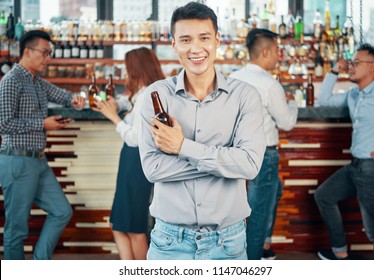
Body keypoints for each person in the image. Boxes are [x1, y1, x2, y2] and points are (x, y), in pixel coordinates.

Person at [138, 1, 265, 260]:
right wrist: (224, 162)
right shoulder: (155, 96)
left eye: (204, 38)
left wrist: (182, 147)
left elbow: (250, 165)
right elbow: (153, 169)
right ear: (173, 44)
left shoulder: (245, 96)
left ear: (217, 40)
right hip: (169, 243)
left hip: (228, 244)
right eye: (185, 39)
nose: (195, 48)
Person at [0, 30, 85, 260]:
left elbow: (63, 95)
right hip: (17, 160)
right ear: (28, 51)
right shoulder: (11, 81)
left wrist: (76, 100)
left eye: (50, 53)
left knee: (61, 211)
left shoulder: (37, 82)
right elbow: (4, 124)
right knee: (16, 229)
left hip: (37, 161)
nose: (48, 58)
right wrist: (42, 124)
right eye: (45, 53)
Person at [315, 43, 374, 260]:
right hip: (356, 166)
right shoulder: (354, 94)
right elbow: (323, 101)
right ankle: (340, 254)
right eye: (352, 61)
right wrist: (333, 71)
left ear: (373, 67)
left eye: (357, 62)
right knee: (324, 196)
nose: (351, 65)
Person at [230, 28, 298, 260]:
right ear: (266, 52)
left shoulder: (233, 79)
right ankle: (251, 263)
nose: (280, 54)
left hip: (236, 153)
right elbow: (287, 122)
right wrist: (294, 104)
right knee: (257, 214)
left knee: (272, 192)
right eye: (278, 50)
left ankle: (264, 246)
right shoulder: (269, 84)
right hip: (263, 155)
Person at [92, 47, 164, 259]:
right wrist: (117, 104)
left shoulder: (148, 96)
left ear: (136, 69)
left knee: (133, 226)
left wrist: (113, 117)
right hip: (131, 163)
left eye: (127, 68)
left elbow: (135, 138)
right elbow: (129, 102)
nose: (125, 73)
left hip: (137, 163)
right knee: (120, 224)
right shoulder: (143, 92)